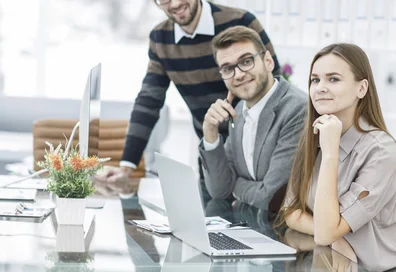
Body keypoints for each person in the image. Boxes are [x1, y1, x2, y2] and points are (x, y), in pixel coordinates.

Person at [278, 43, 396, 272]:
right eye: (315, 80)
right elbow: (291, 212)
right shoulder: (314, 137)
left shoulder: (380, 151)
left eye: (333, 79)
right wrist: (336, 238)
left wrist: (330, 153)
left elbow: (325, 232)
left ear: (361, 88)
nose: (320, 88)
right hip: (342, 266)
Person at [96, 0, 281, 187]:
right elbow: (148, 101)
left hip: (254, 154)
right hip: (211, 152)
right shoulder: (161, 38)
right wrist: (126, 167)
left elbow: (274, 82)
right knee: (211, 213)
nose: (174, 4)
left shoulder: (242, 21)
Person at [199, 26, 306, 210]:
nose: (238, 74)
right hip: (252, 223)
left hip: (287, 233)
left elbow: (272, 198)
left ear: (268, 62)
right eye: (228, 68)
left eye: (246, 61)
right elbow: (219, 190)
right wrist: (210, 131)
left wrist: (236, 185)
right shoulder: (239, 110)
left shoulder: (297, 109)